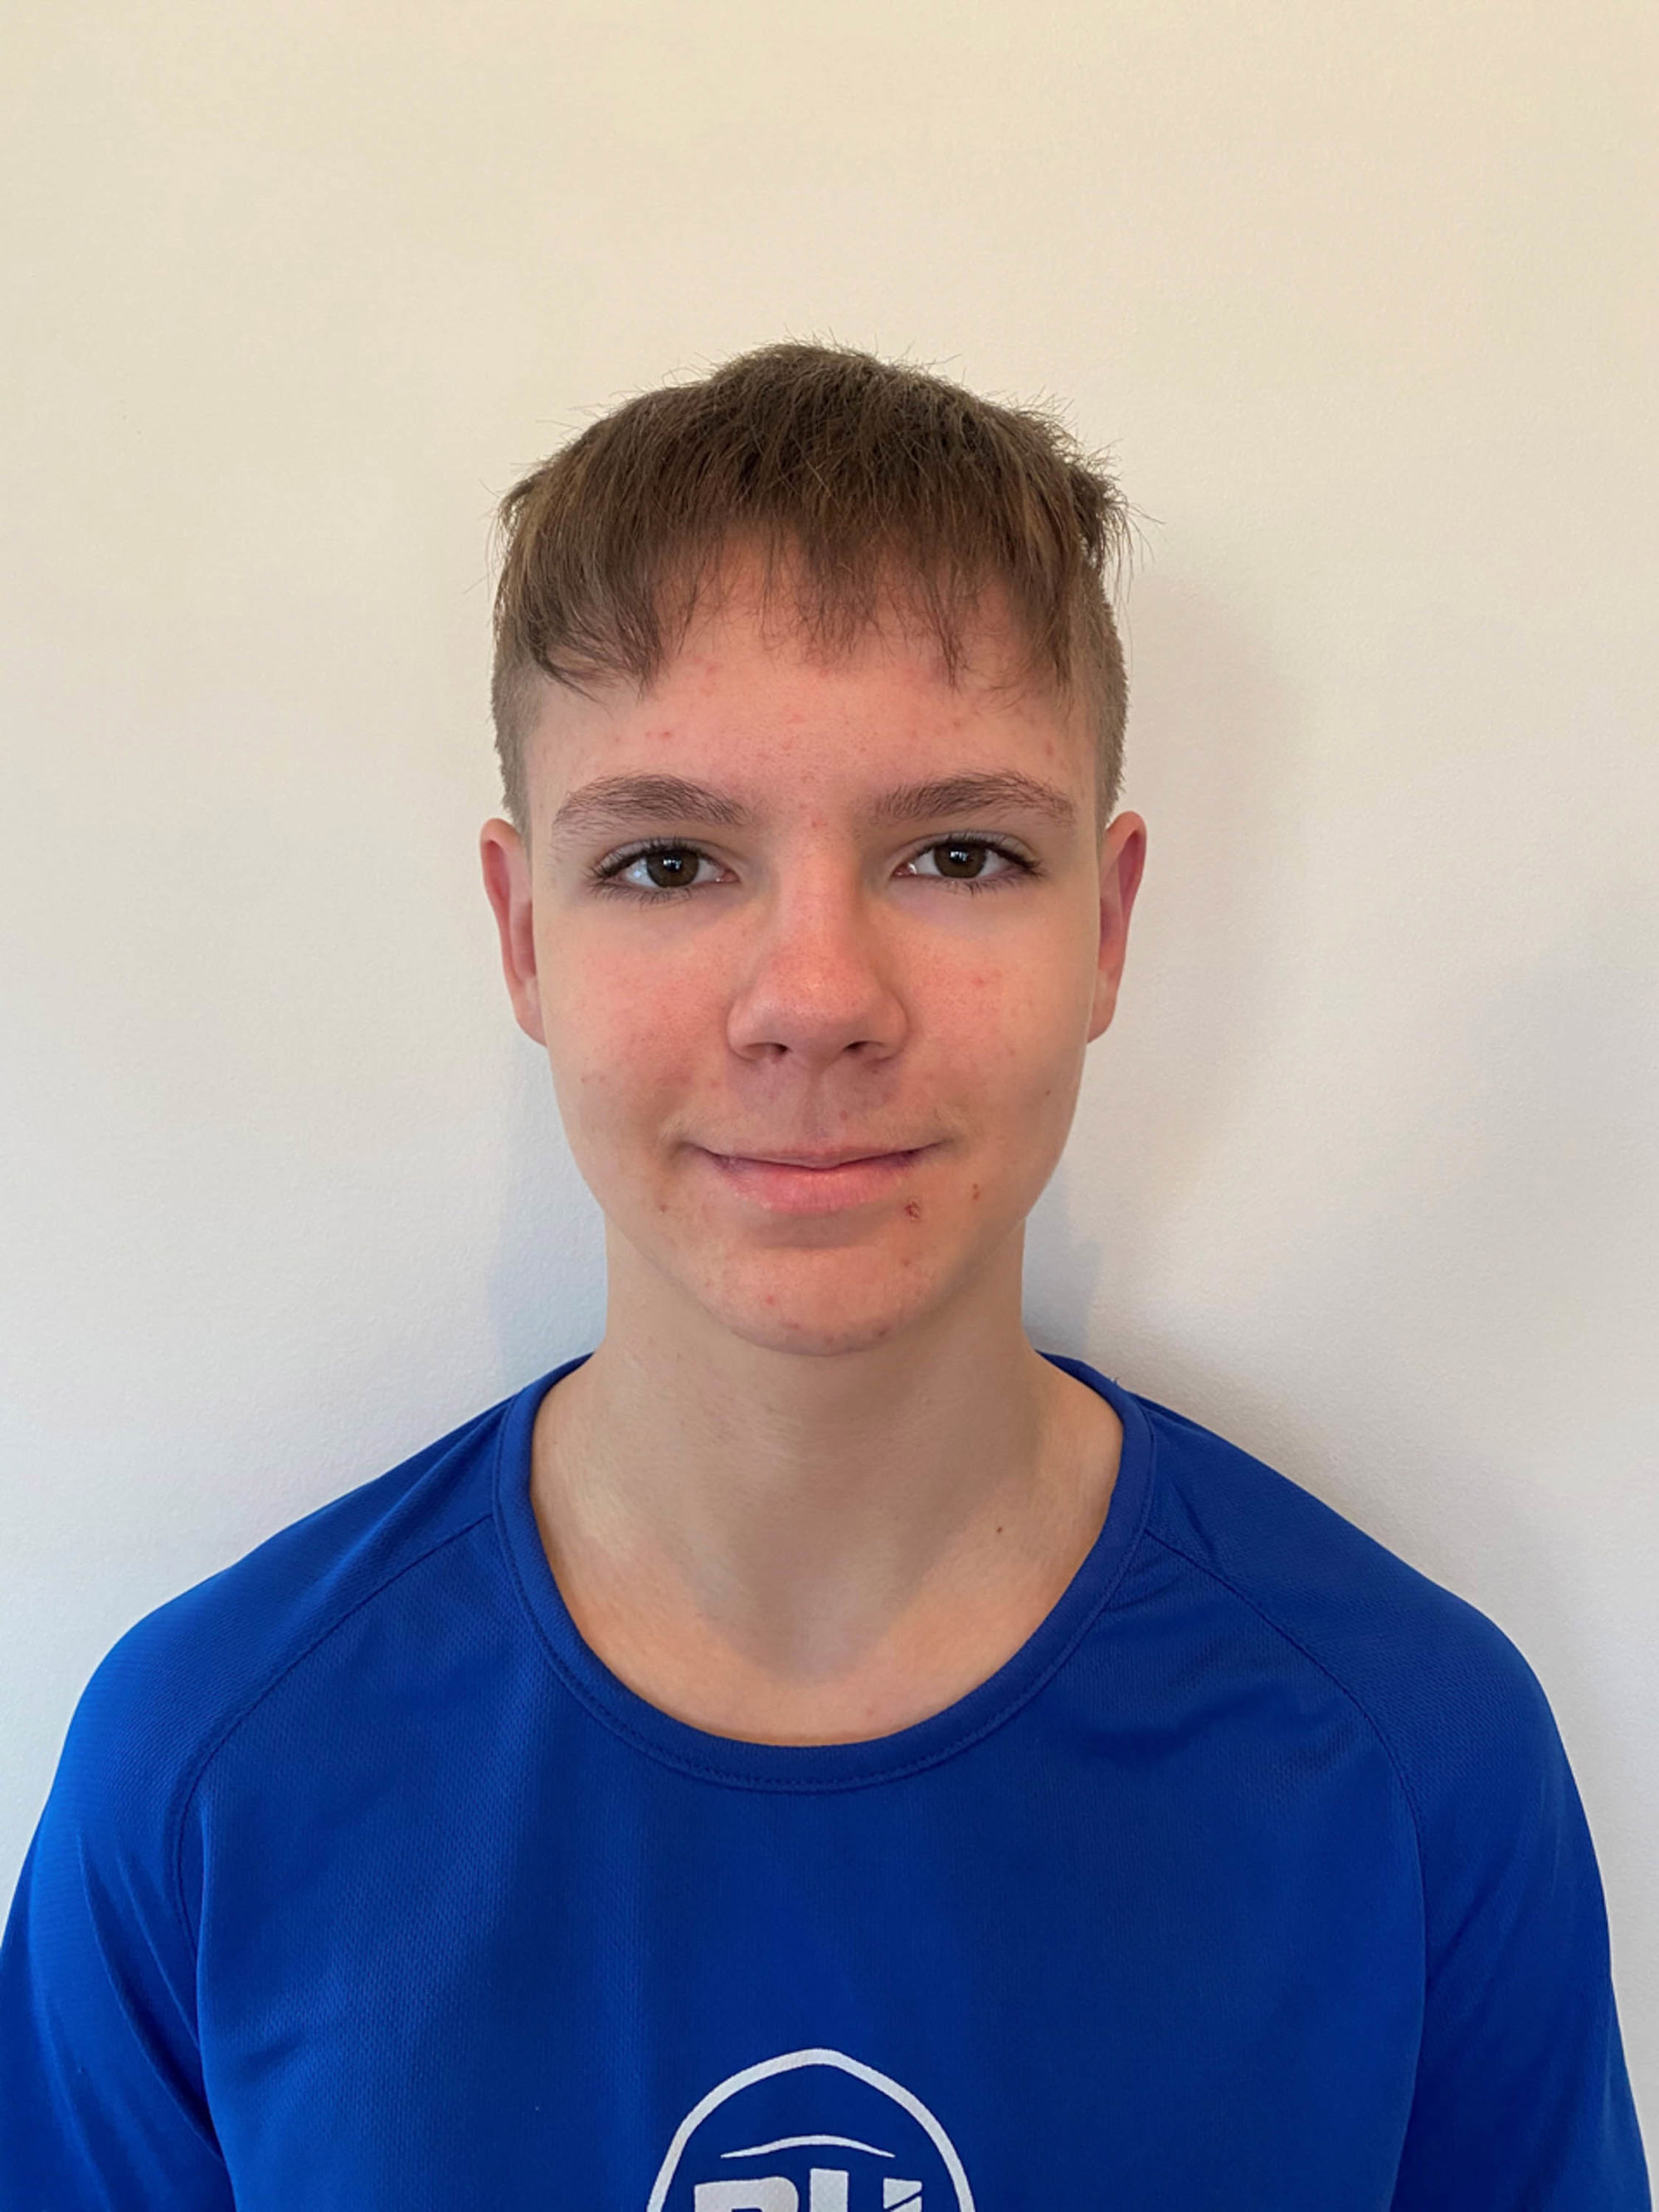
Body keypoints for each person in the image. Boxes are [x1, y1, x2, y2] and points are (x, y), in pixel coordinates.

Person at [0, 342, 1647, 2210]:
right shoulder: (208, 1779)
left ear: (1107, 928)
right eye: (667, 862)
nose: (815, 998)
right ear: (522, 935)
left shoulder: (1414, 1767)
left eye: (958, 852)